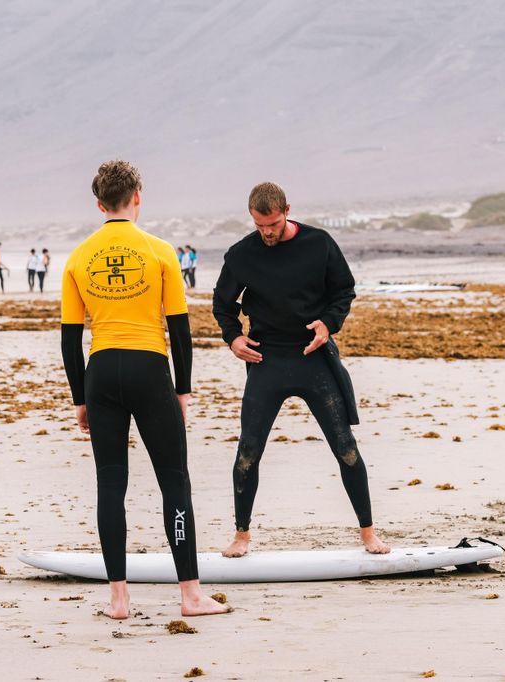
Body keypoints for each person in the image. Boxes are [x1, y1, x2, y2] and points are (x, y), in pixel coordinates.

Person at [60, 159, 230, 620]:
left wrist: (80, 398)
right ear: (138, 196)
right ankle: (190, 596)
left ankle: (118, 599)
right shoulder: (159, 252)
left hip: (100, 373)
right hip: (150, 370)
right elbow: (179, 329)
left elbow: (70, 338)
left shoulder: (78, 258)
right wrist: (183, 389)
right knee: (174, 482)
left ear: (98, 204)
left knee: (110, 485)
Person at [212, 181, 390, 558]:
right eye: (260, 226)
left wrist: (328, 323)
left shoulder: (319, 244)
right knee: (248, 452)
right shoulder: (242, 255)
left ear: (287, 210)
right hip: (266, 361)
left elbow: (344, 291)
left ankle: (369, 533)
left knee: (346, 448)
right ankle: (241, 536)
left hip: (313, 358)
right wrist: (233, 338)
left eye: (273, 224)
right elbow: (222, 304)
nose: (267, 233)